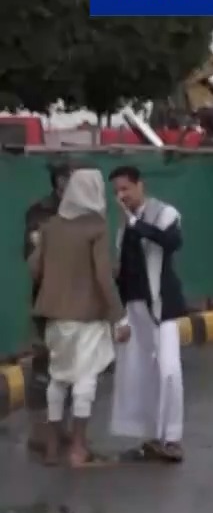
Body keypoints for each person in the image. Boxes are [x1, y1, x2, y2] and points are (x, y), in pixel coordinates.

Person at [26, 170, 127, 467]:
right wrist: (119, 317)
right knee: (85, 379)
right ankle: (78, 447)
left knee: (57, 377)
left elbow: (35, 269)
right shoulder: (96, 227)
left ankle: (52, 447)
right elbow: (104, 276)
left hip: (54, 316)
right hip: (87, 316)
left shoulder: (50, 226)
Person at [109, 165, 187, 463]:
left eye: (125, 189)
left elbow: (172, 242)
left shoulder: (164, 214)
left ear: (140, 185)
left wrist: (136, 225)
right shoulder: (123, 227)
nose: (121, 196)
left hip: (162, 306)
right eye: (117, 191)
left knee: (169, 371)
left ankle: (173, 438)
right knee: (139, 373)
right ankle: (152, 437)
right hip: (135, 307)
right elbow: (124, 271)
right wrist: (120, 315)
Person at [22, 161, 70, 463]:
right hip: (47, 298)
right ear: (59, 182)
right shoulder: (40, 212)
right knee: (43, 365)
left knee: (71, 365)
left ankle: (62, 428)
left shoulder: (85, 213)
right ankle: (40, 432)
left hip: (77, 300)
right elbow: (32, 261)